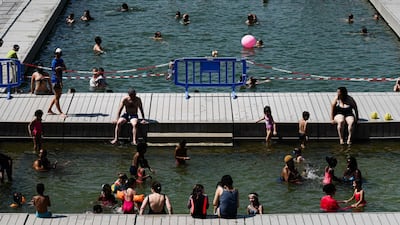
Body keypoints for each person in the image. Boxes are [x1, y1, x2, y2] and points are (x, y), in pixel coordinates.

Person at [47, 48, 67, 117]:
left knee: (57, 96)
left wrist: (60, 68)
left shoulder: (61, 60)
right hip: (55, 80)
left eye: (59, 54)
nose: (58, 55)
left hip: (59, 80)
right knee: (57, 97)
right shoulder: (54, 62)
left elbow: (65, 68)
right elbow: (56, 72)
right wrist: (60, 82)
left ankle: (49, 109)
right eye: (57, 54)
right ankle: (60, 112)